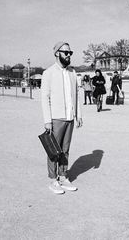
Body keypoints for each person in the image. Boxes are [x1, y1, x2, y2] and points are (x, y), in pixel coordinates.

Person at [41, 41, 83, 195]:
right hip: (56, 118)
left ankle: (63, 176)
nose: (68, 55)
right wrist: (47, 120)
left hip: (69, 117)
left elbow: (76, 95)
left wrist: (78, 114)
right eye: (66, 52)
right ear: (57, 53)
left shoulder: (72, 73)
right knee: (53, 150)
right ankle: (53, 180)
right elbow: (45, 98)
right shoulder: (49, 73)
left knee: (65, 149)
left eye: (70, 53)